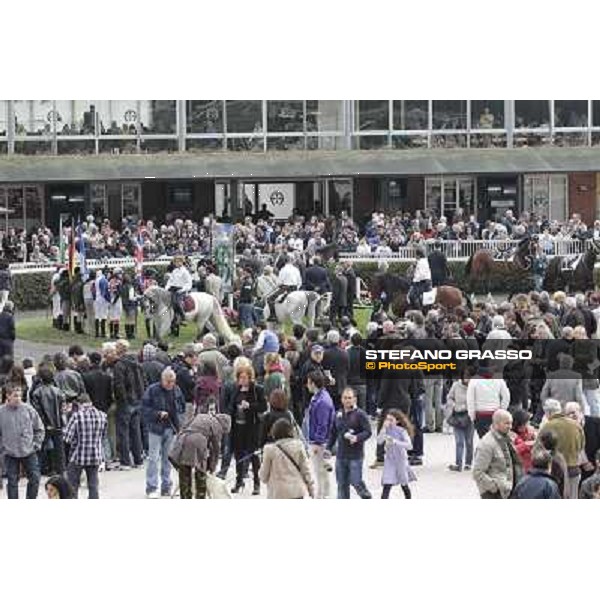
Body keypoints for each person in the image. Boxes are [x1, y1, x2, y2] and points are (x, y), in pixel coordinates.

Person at [223, 362, 266, 495]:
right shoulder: (236, 389)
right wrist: (232, 411)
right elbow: (230, 405)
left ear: (250, 377)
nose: (242, 380)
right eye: (240, 378)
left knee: (253, 456)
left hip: (252, 427)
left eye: (245, 377)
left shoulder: (257, 389)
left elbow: (263, 407)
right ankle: (239, 480)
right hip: (237, 427)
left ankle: (256, 483)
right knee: (238, 455)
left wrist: (250, 406)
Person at [142, 367, 184, 498]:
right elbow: (144, 409)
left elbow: (182, 406)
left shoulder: (176, 390)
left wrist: (180, 423)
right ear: (162, 379)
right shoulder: (152, 390)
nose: (170, 384)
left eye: (173, 382)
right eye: (168, 382)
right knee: (153, 458)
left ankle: (166, 487)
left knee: (168, 459)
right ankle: (151, 487)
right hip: (156, 429)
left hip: (171, 429)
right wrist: (158, 414)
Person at [169, 412, 231, 499]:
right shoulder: (218, 426)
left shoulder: (201, 415)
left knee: (184, 473)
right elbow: (215, 449)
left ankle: (185, 497)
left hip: (183, 440)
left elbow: (184, 426)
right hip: (198, 443)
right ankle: (200, 497)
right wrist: (212, 467)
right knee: (201, 473)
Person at [0, 383, 45, 499]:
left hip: (29, 451)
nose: (18, 399)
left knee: (35, 478)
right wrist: (3, 449)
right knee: (12, 482)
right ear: (8, 396)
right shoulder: (1, 412)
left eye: (20, 396)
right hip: (10, 453)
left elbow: (39, 428)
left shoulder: (29, 409)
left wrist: (36, 445)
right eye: (15, 396)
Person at [329, 387, 372, 499]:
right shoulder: (338, 414)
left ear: (355, 399)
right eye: (345, 398)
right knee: (342, 485)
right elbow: (333, 432)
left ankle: (366, 496)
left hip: (355, 456)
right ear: (342, 399)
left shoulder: (360, 414)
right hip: (341, 455)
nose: (347, 400)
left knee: (356, 482)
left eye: (350, 398)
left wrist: (357, 438)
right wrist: (328, 448)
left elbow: (368, 432)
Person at [63, 393, 107, 499]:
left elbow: (67, 438)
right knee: (93, 484)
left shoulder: (76, 416)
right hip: (95, 454)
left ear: (79, 404)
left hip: (78, 455)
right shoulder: (102, 415)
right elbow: (103, 436)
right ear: (91, 402)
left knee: (73, 485)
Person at [539, 399, 585, 499]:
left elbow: (540, 449)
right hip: (574, 468)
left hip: (555, 470)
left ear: (548, 412)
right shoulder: (576, 425)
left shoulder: (547, 426)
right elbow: (581, 446)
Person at [259, 418, 315, 499]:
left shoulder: (269, 449)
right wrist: (311, 488)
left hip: (277, 493)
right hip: (296, 492)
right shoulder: (299, 446)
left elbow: (263, 477)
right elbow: (306, 470)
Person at [472, 409, 522, 499]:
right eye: (506, 423)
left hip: (509, 490)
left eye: (511, 423)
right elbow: (477, 473)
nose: (510, 426)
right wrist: (495, 488)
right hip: (495, 494)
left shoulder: (508, 438)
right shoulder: (486, 444)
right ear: (496, 424)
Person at [113, 339, 145, 470]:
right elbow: (143, 380)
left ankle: (125, 461)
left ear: (119, 349)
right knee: (135, 430)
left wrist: (122, 399)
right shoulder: (136, 363)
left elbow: (118, 385)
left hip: (126, 402)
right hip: (137, 400)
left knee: (123, 432)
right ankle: (138, 459)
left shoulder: (119, 365)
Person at [305, 370, 336, 499]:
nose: (307, 385)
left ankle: (322, 496)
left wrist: (317, 443)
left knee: (320, 472)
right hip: (319, 440)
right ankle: (324, 495)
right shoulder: (320, 396)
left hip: (319, 443)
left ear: (313, 383)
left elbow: (322, 424)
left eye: (308, 382)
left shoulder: (322, 401)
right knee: (322, 472)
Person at [30, 364, 66, 476]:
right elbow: (62, 409)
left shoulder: (37, 393)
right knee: (59, 449)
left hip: (44, 425)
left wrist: (44, 424)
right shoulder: (58, 391)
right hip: (58, 424)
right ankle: (60, 470)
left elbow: (38, 411)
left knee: (40, 448)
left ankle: (38, 470)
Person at [378, 409, 415, 499]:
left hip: (401, 460)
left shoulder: (402, 431)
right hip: (390, 460)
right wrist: (383, 428)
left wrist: (395, 441)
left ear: (397, 421)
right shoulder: (386, 430)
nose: (388, 422)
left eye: (391, 420)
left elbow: (409, 446)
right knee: (387, 484)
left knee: (404, 483)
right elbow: (379, 441)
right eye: (387, 419)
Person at [467, 362, 510, 438]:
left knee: (484, 440)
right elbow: (506, 397)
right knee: (496, 439)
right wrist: (502, 410)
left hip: (480, 415)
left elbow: (470, 400)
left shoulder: (474, 380)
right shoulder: (499, 379)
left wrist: (472, 416)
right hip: (496, 414)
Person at [446, 366, 475, 472]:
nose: (467, 378)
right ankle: (458, 464)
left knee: (469, 441)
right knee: (459, 441)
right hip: (457, 416)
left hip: (469, 416)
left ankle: (468, 463)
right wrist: (453, 405)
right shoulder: (456, 385)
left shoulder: (474, 387)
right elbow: (449, 397)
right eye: (465, 376)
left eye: (469, 376)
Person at [268, 256, 302, 322]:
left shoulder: (283, 269)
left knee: (270, 299)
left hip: (285, 288)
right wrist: (296, 289)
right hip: (295, 288)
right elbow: (299, 282)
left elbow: (279, 282)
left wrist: (279, 286)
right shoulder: (296, 269)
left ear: (284, 262)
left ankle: (273, 316)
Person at [165, 256, 193, 329]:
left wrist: (183, 289)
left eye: (178, 261)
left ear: (182, 262)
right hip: (173, 288)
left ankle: (184, 317)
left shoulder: (185, 272)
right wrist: (167, 287)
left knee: (177, 302)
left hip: (181, 289)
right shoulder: (174, 271)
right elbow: (170, 281)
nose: (177, 263)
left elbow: (188, 283)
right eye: (175, 262)